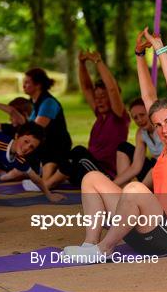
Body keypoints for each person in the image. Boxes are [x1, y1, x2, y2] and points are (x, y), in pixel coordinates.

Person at [63, 28, 167, 259]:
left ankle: (105, 248)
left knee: (136, 188)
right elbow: (148, 97)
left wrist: (160, 49)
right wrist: (139, 55)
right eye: (158, 125)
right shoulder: (166, 148)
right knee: (92, 179)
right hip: (145, 230)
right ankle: (90, 245)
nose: (164, 129)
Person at [39, 51, 130, 189]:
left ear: (111, 98)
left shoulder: (119, 116)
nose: (98, 101)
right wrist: (81, 64)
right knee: (64, 153)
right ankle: (47, 181)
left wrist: (98, 61)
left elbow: (112, 89)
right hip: (87, 171)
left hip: (104, 175)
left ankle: (46, 185)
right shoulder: (100, 115)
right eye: (96, 97)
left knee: (78, 151)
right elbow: (87, 88)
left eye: (102, 97)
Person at [22, 68, 72, 188]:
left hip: (55, 147)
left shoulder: (48, 102)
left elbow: (35, 130)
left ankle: (47, 180)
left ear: (38, 85)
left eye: (27, 82)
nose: (23, 85)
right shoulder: (34, 102)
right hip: (46, 146)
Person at [0, 122, 64, 202]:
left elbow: (36, 179)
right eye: (26, 141)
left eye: (31, 147)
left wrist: (49, 195)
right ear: (17, 136)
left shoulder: (20, 160)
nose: (26, 148)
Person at [113, 98, 162, 189]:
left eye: (142, 115)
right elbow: (136, 167)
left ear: (150, 112)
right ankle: (122, 188)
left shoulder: (162, 127)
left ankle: (137, 194)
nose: (139, 120)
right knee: (123, 147)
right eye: (135, 117)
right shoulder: (141, 133)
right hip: (153, 172)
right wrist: (112, 184)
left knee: (158, 164)